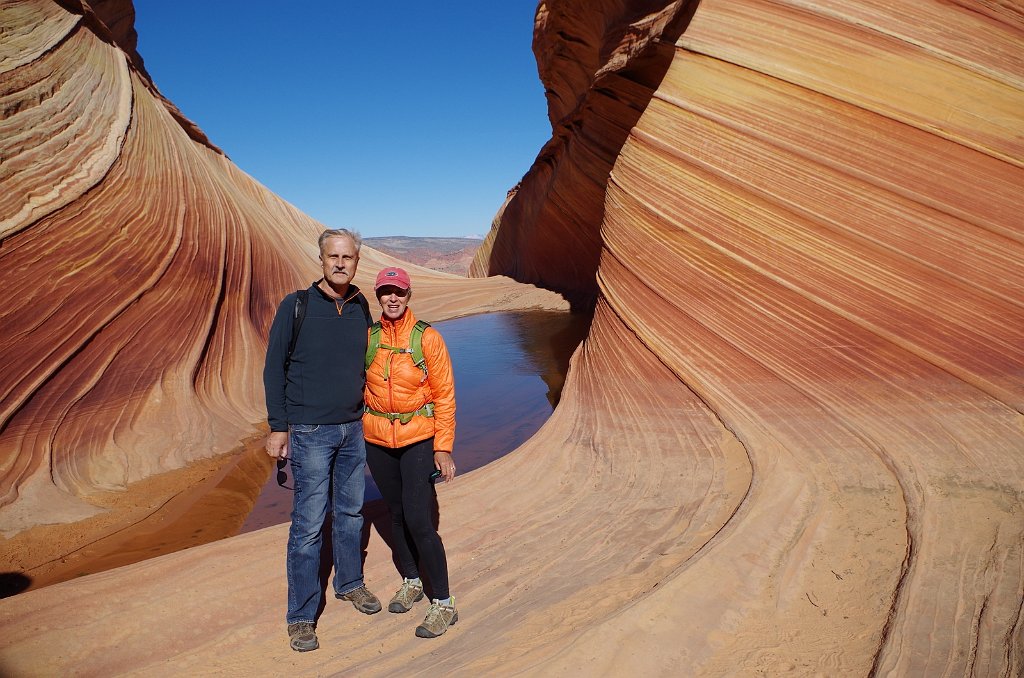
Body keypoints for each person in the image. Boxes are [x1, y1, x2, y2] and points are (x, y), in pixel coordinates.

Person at [263, 228, 382, 653]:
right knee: (309, 526)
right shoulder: (296, 306)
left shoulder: (359, 304)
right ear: (320, 258)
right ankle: (300, 616)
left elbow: (367, 360)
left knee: (350, 514)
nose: (339, 263)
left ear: (356, 261)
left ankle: (350, 583)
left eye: (347, 257)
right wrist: (279, 427)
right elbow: (274, 367)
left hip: (354, 428)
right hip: (311, 431)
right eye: (333, 256)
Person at [363, 267, 459, 638]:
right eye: (386, 291)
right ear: (378, 295)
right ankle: (412, 580)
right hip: (377, 441)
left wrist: (443, 448)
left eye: (398, 292)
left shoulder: (427, 338)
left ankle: (444, 604)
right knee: (396, 514)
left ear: (408, 295)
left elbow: (444, 395)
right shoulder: (370, 337)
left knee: (420, 521)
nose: (392, 298)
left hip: (418, 438)